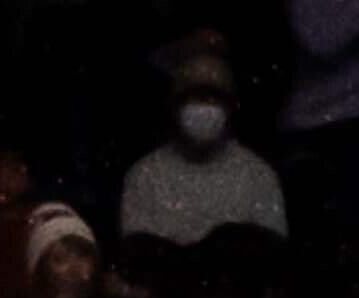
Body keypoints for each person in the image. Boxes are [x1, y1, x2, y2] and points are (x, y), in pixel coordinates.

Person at [121, 81, 287, 248]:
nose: (203, 109)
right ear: (174, 107)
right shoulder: (145, 176)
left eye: (212, 99)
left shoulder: (258, 175)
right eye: (194, 98)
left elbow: (273, 249)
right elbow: (136, 249)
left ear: (229, 107)